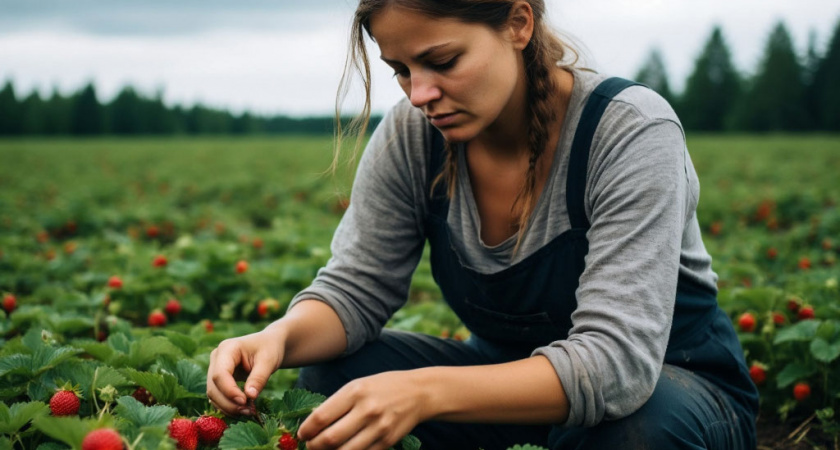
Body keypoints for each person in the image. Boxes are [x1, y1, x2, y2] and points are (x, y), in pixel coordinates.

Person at [206, 1, 759, 449]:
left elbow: (615, 366)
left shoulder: (629, 130)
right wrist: (276, 336)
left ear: (519, 23)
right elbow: (356, 289)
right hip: (503, 388)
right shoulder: (414, 135)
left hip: (669, 390)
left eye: (442, 61)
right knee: (335, 378)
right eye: (401, 70)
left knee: (634, 434)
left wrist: (423, 391)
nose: (419, 94)